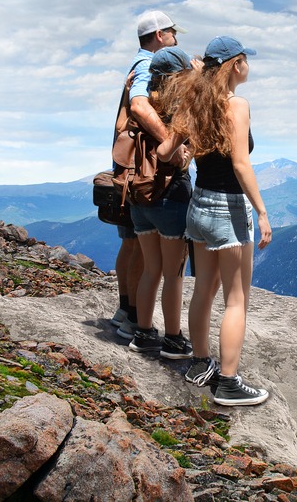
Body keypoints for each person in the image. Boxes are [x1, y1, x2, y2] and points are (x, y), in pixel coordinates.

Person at [157, 35, 272, 406]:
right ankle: (228, 382)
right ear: (235, 64)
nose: (248, 66)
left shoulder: (193, 103)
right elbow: (240, 163)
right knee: (236, 300)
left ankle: (199, 362)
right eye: (245, 60)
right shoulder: (237, 105)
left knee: (203, 289)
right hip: (229, 209)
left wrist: (187, 149)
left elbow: (163, 151)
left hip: (199, 206)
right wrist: (263, 211)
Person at [112, 11, 187, 341]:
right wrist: (170, 145)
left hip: (129, 168)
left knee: (133, 241)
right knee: (150, 253)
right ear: (159, 34)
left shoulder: (135, 64)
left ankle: (127, 312)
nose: (175, 37)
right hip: (150, 173)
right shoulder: (148, 66)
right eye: (172, 32)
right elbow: (140, 107)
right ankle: (136, 320)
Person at [126, 46, 199, 360]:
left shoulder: (140, 104)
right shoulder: (177, 109)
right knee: (173, 273)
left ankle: (143, 334)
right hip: (171, 195)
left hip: (138, 194)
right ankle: (172, 338)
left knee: (151, 270)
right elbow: (185, 152)